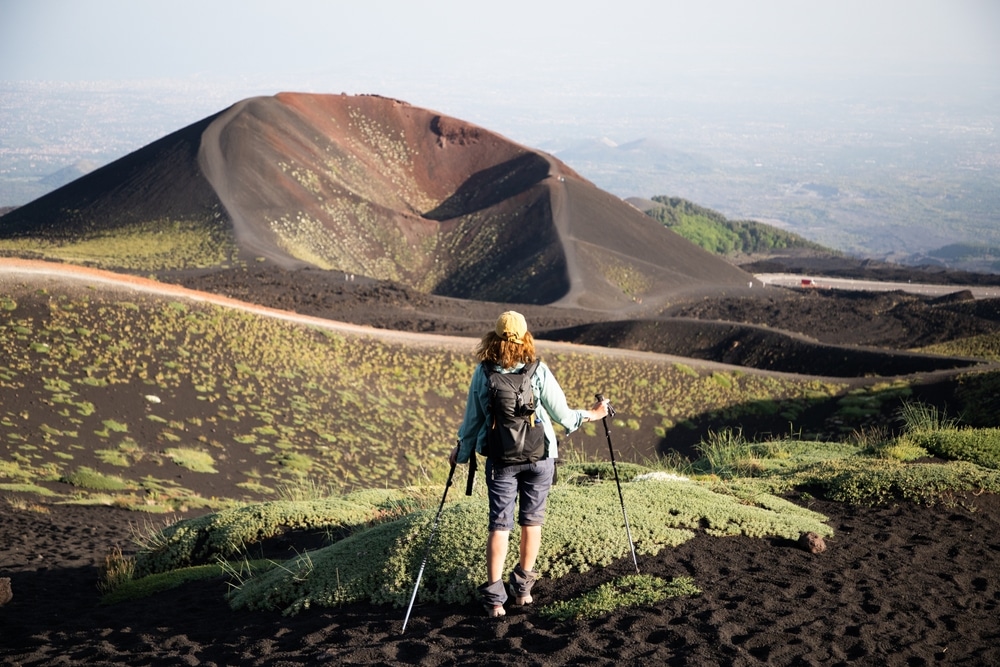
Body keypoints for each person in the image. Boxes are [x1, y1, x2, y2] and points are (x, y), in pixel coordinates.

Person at [449, 311, 609, 618]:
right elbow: (563, 415)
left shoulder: (483, 374)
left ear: (493, 339)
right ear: (525, 337)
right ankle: (522, 593)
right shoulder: (538, 371)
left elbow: (472, 422)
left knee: (500, 524)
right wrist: (594, 413)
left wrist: (462, 452)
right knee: (531, 521)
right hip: (540, 456)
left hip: (501, 460)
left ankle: (495, 600)